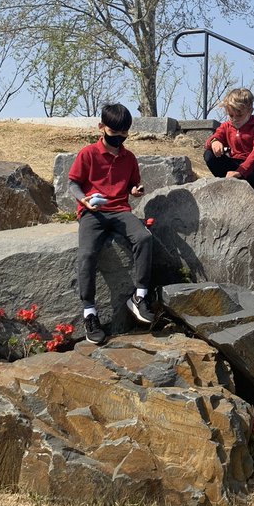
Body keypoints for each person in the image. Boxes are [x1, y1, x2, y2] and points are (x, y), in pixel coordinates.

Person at [67, 102, 154, 343]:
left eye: (124, 133)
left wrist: (136, 190)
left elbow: (132, 185)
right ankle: (89, 313)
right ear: (101, 127)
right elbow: (73, 183)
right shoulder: (88, 153)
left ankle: (139, 297)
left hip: (120, 210)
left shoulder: (129, 158)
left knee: (145, 237)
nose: (120, 137)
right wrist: (83, 201)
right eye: (115, 132)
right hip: (92, 213)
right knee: (86, 255)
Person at [204, 87, 254, 197]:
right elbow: (213, 139)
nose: (234, 119)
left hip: (252, 169)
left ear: (250, 111)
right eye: (231, 115)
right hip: (234, 166)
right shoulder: (226, 126)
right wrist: (215, 141)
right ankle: (227, 187)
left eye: (239, 115)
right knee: (209, 154)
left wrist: (241, 171)